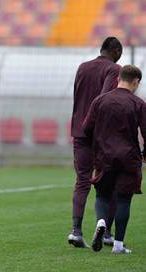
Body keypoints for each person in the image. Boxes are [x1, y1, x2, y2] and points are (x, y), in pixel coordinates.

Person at [83, 65, 144, 254]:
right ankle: (118, 245)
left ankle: (101, 221)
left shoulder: (100, 100)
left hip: (104, 156)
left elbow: (86, 128)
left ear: (118, 78)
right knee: (124, 200)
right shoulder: (138, 104)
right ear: (136, 82)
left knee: (102, 195)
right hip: (128, 157)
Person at [68, 37, 123, 248]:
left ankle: (76, 231)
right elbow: (105, 100)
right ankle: (107, 232)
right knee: (108, 182)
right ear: (115, 50)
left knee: (82, 181)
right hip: (101, 135)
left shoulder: (82, 67)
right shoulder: (113, 69)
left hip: (79, 132)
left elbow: (77, 96)